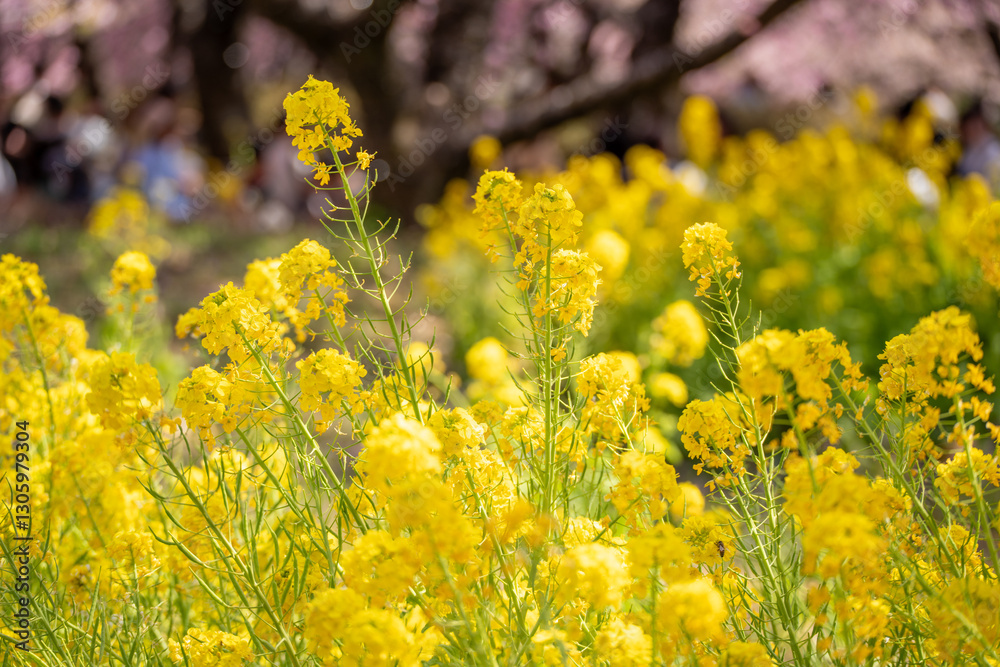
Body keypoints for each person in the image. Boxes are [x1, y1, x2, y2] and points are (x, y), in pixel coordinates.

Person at [957, 99, 1000, 191]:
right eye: (969, 125)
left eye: (975, 125)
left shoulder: (992, 150)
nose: (971, 129)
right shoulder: (968, 146)